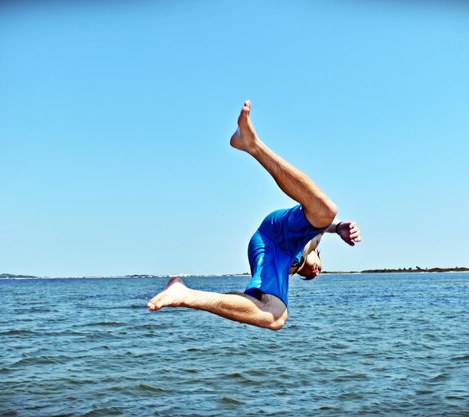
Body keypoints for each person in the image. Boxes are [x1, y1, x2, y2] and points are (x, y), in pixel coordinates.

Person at [147, 100, 361, 330]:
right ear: (319, 254)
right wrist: (338, 227)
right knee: (327, 211)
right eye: (319, 268)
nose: (314, 272)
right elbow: (322, 222)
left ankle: (187, 294)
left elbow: (266, 300)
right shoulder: (316, 238)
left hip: (270, 249)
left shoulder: (287, 268)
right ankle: (252, 145)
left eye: (309, 276)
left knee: (275, 317)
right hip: (274, 231)